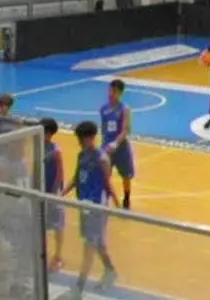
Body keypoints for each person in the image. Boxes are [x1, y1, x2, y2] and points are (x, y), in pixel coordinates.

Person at [60, 121, 118, 299]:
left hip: (96, 208)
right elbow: (77, 177)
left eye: (80, 139)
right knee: (98, 243)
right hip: (84, 206)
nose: (78, 142)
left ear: (89, 138)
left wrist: (118, 204)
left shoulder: (102, 159)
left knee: (89, 247)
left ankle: (78, 289)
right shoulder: (81, 155)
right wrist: (61, 194)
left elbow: (108, 184)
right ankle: (110, 270)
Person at [99, 80, 134, 210]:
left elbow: (126, 130)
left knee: (126, 175)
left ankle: (126, 197)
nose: (111, 94)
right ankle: (105, 199)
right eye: (110, 90)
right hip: (107, 147)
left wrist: (115, 143)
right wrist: (104, 144)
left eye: (114, 91)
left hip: (121, 147)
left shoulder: (125, 109)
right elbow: (104, 129)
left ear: (120, 93)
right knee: (104, 174)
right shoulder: (103, 109)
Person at [40, 117, 66, 272]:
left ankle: (58, 256)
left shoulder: (56, 150)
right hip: (41, 190)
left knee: (58, 225)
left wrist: (54, 194)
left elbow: (60, 173)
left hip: (53, 192)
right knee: (42, 223)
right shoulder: (38, 146)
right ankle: (43, 253)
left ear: (49, 133)